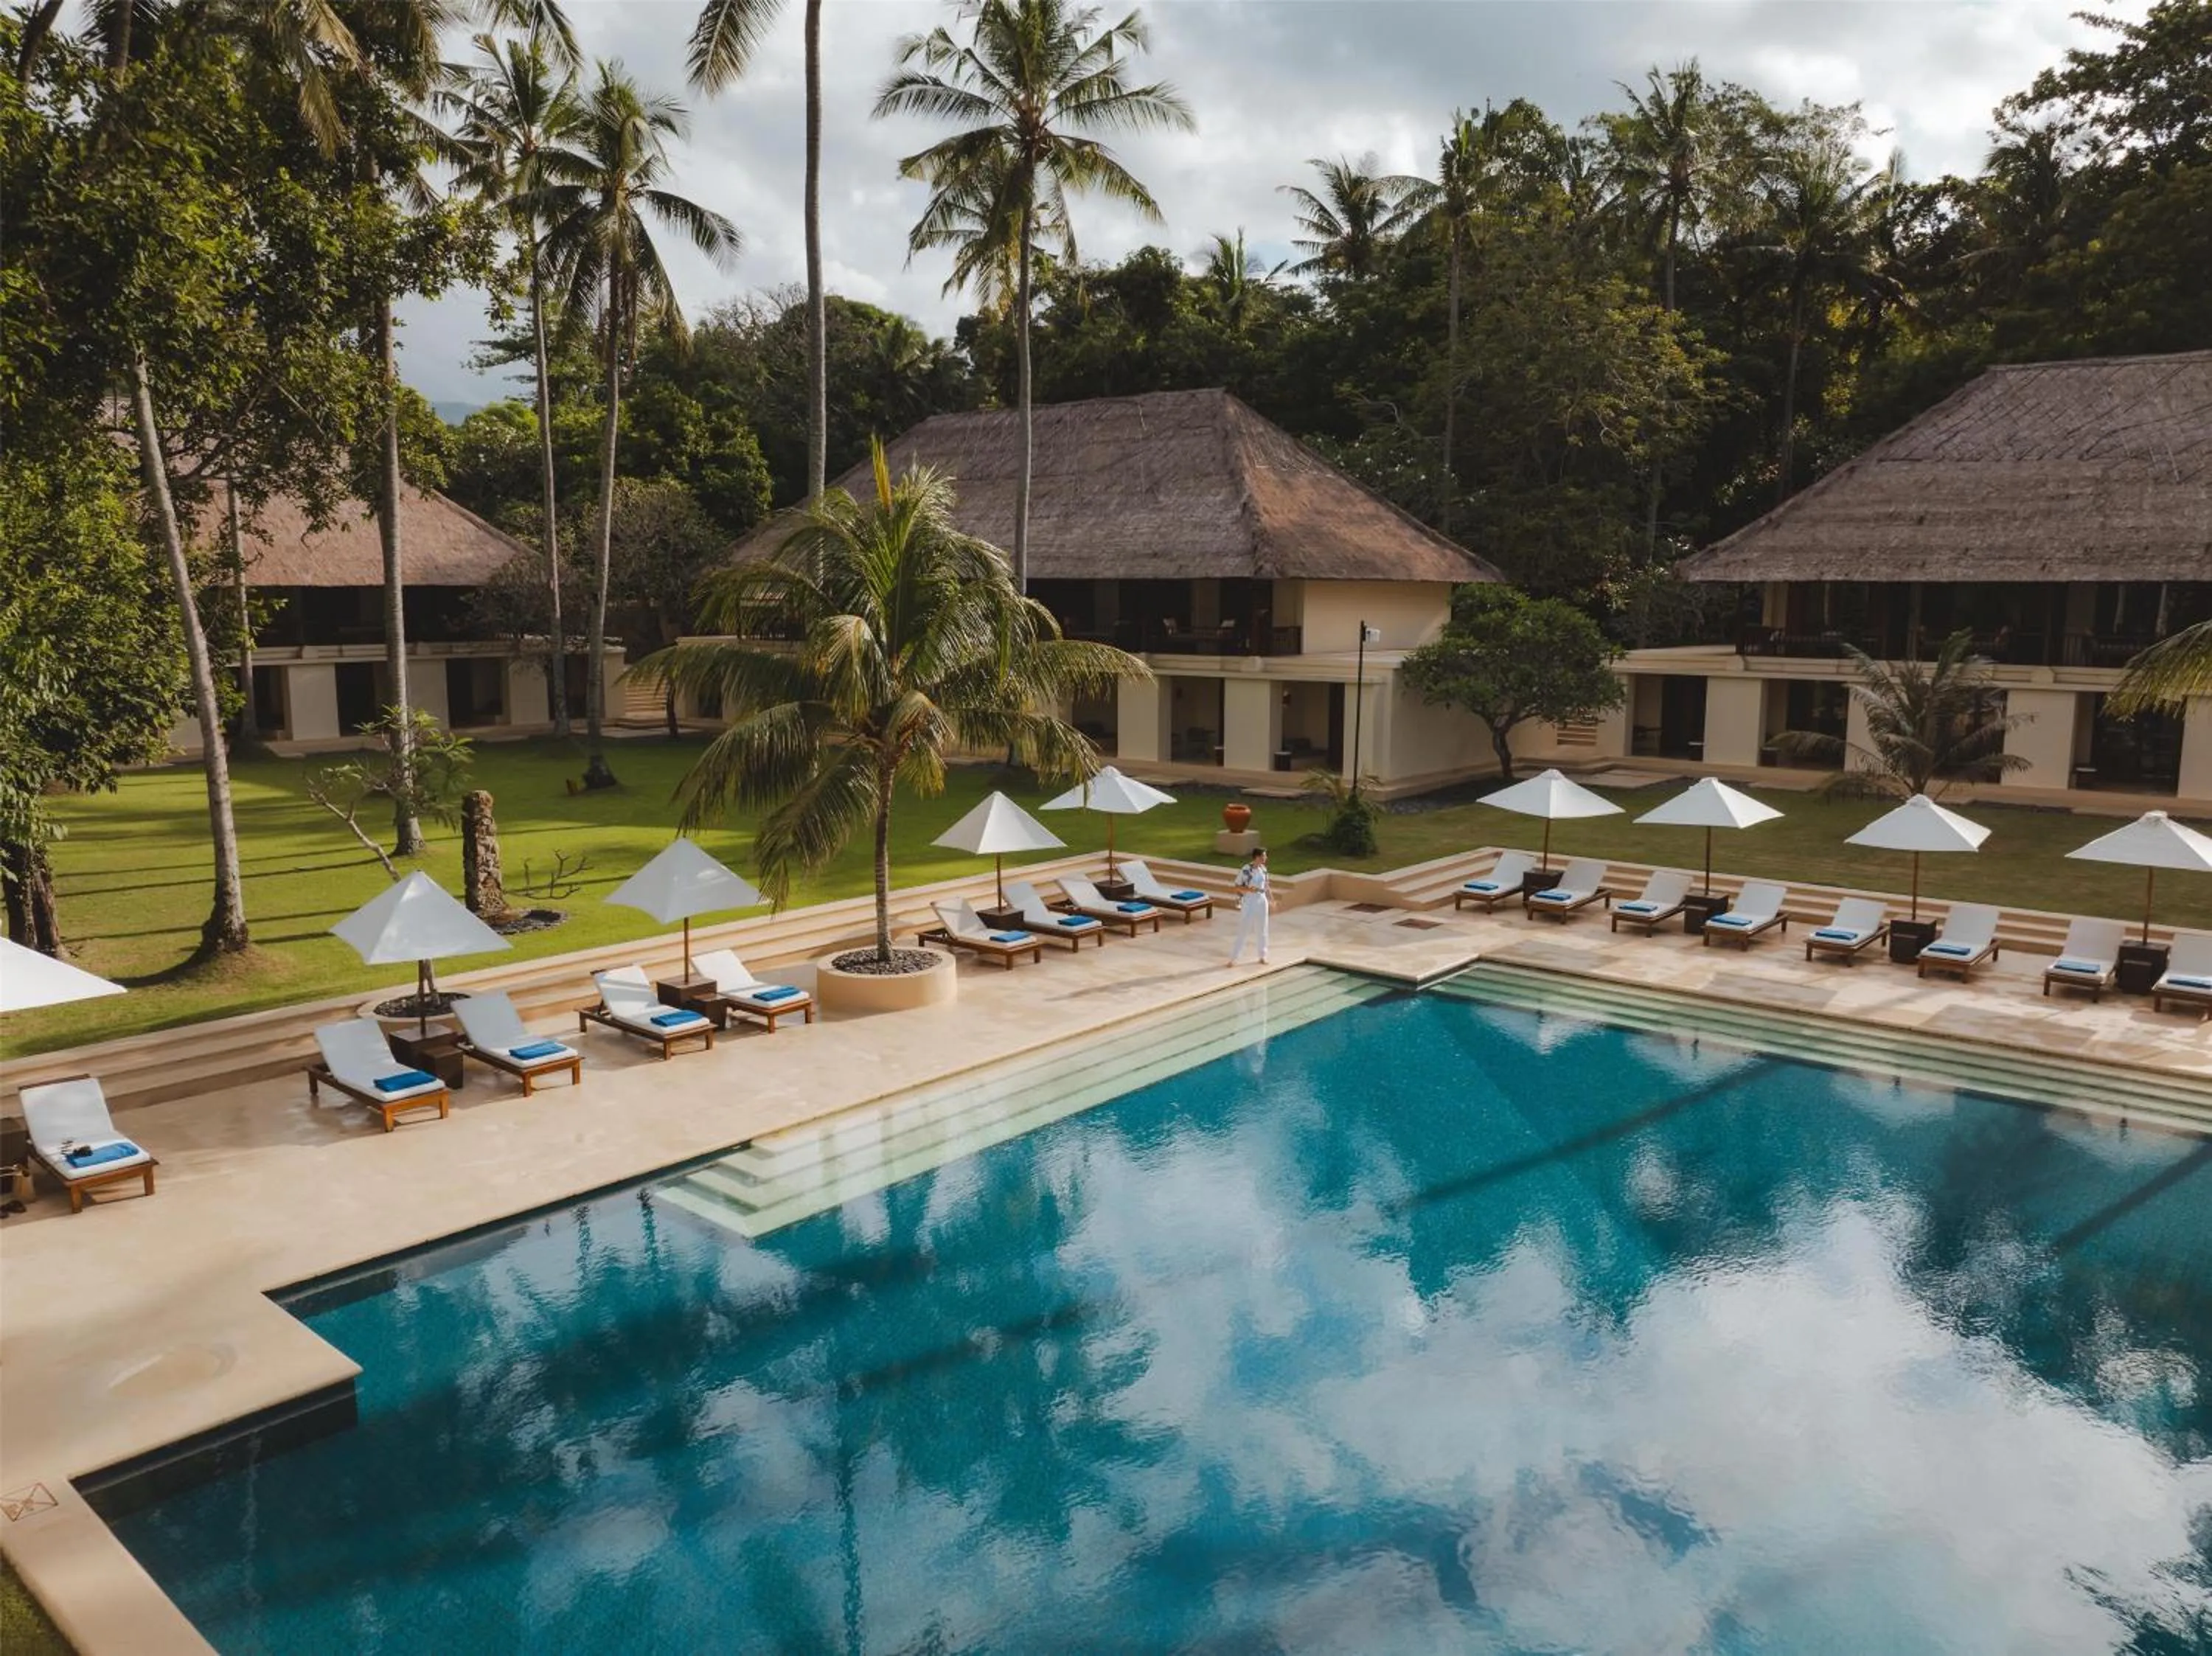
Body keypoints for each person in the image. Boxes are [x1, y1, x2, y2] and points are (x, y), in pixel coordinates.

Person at [1227, 846, 1272, 967]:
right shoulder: (1246, 869)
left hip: (1262, 900)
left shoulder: (1264, 869)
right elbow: (1237, 886)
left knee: (1262, 929)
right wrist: (1248, 889)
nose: (1266, 858)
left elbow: (1267, 886)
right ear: (1257, 857)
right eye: (1264, 855)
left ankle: (1263, 956)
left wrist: (1271, 900)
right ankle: (1234, 958)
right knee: (1244, 929)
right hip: (1250, 901)